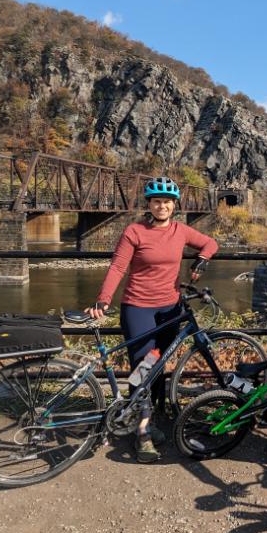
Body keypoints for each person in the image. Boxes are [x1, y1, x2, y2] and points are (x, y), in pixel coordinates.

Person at [87, 176, 218, 463]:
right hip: (139, 309)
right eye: (157, 201)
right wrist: (104, 298)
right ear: (149, 204)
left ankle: (149, 418)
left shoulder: (180, 231)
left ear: (174, 206)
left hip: (170, 309)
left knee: (158, 366)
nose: (162, 206)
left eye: (167, 202)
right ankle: (142, 433)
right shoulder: (134, 231)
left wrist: (202, 261)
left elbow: (210, 243)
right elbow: (118, 266)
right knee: (144, 368)